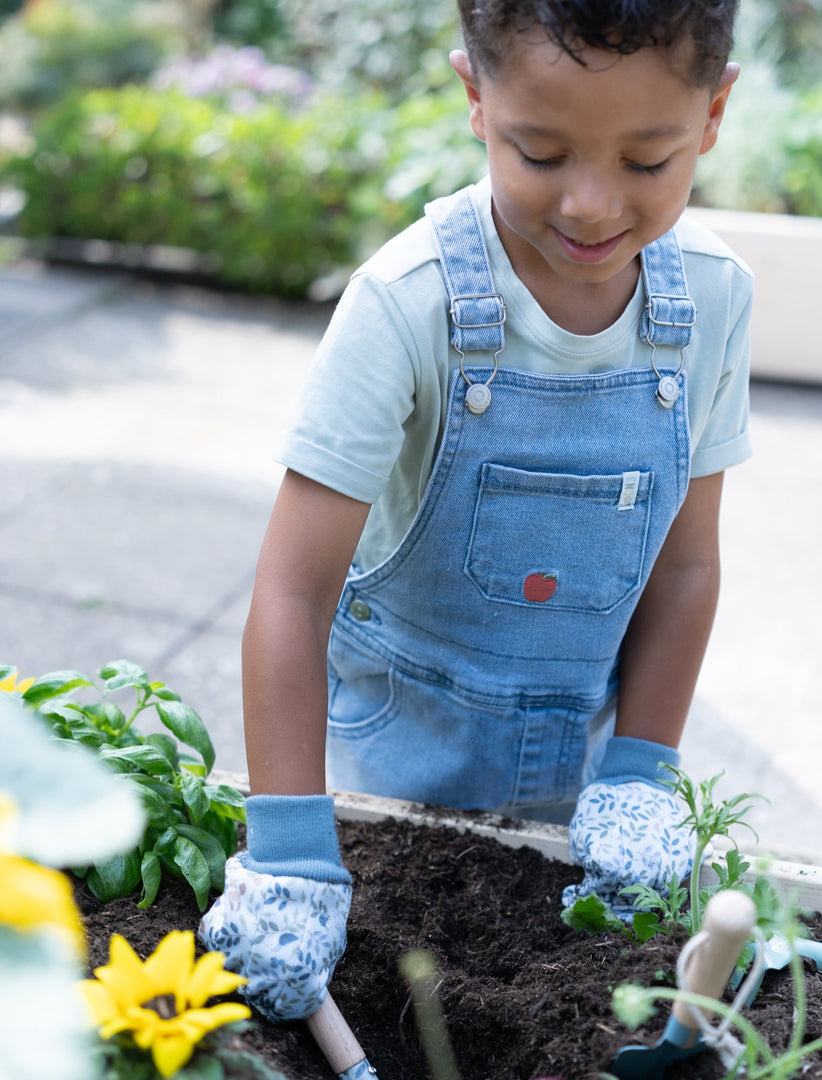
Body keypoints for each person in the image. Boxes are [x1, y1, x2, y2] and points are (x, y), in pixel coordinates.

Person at [200, 0, 753, 1029]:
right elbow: (290, 589)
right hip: (380, 786)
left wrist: (640, 772)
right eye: (539, 152)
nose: (591, 205)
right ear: (474, 97)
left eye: (648, 161)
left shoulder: (712, 300)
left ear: (714, 114)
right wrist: (289, 847)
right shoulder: (408, 304)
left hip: (582, 794)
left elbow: (685, 570)